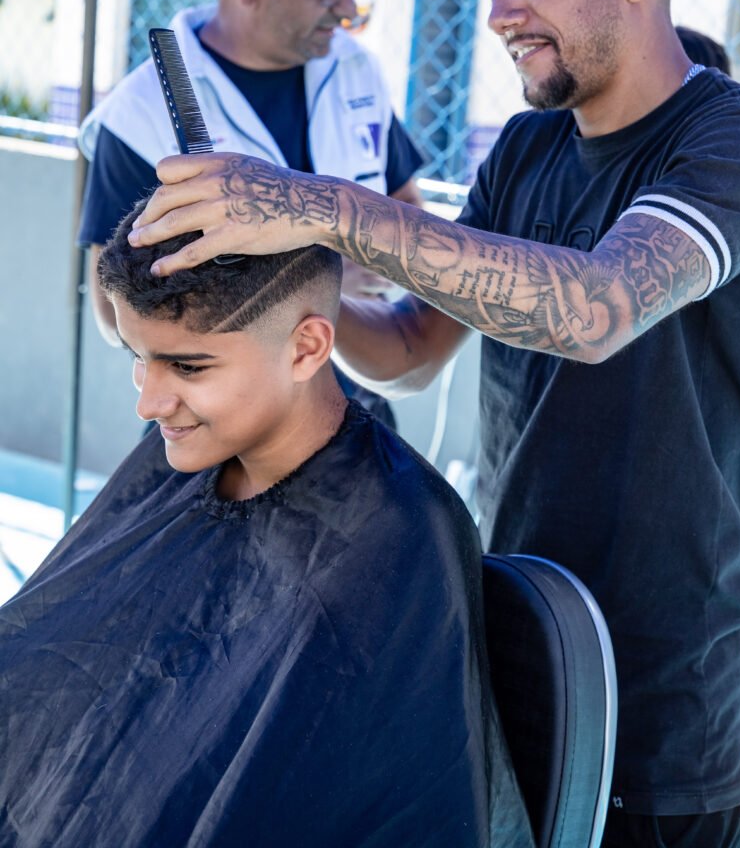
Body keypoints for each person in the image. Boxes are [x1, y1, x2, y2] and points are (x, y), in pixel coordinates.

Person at [127, 0, 740, 848]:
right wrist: (290, 296)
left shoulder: (736, 141)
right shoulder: (526, 147)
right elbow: (416, 349)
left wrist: (321, 206)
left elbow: (594, 310)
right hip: (516, 622)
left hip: (668, 693)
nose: (500, 11)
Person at [0, 199, 530, 848]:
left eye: (189, 366)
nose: (149, 402)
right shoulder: (182, 455)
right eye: (140, 357)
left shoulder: (387, 541)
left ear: (307, 347)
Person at [78, 0, 424, 425]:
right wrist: (322, 284)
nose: (347, 8)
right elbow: (108, 308)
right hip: (220, 427)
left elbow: (407, 211)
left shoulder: (355, 68)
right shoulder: (142, 112)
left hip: (358, 406)